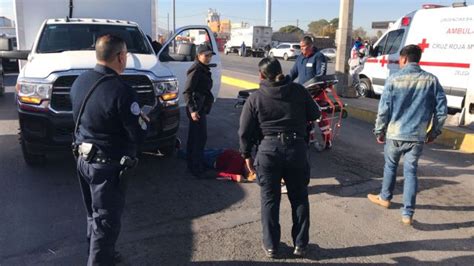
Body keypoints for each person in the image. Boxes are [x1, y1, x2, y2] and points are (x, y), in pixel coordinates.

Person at [70, 35, 148, 265]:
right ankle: (99, 260)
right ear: (120, 57)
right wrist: (143, 120)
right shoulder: (122, 90)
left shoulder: (80, 81)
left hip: (83, 159)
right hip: (105, 168)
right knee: (106, 222)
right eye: (126, 55)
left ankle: (102, 254)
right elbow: (138, 134)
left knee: (94, 216)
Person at [239, 57, 321, 258]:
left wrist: (246, 154)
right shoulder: (299, 91)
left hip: (268, 151)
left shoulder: (255, 98)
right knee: (299, 198)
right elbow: (315, 113)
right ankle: (300, 245)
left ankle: (271, 246)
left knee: (270, 200)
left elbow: (244, 131)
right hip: (296, 150)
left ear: (261, 75)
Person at [367, 44, 448, 225]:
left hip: (395, 134)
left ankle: (385, 198)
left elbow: (383, 110)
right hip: (417, 135)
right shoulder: (431, 80)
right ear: (418, 59)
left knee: (390, 166)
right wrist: (434, 132)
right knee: (410, 172)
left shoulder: (394, 79)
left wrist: (379, 131)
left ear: (403, 59)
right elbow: (442, 111)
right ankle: (407, 214)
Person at [288, 36, 330, 148]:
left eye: (303, 47)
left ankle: (327, 141)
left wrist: (314, 88)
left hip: (317, 94)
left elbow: (320, 75)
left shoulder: (319, 57)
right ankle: (310, 139)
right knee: (305, 118)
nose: (301, 49)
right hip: (303, 93)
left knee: (321, 118)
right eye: (300, 47)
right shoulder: (300, 58)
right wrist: (283, 82)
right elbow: (293, 73)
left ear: (310, 46)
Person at [183, 44, 216, 178]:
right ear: (198, 55)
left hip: (200, 107)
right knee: (199, 137)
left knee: (195, 137)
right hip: (196, 108)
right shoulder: (196, 69)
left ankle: (193, 164)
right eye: (205, 55)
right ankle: (196, 168)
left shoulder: (203, 68)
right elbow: (187, 91)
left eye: (210, 55)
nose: (208, 58)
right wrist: (192, 110)